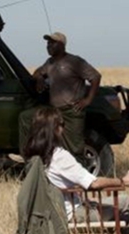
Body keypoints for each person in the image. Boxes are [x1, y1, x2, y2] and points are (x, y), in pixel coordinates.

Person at [22, 106, 129, 234]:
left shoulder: (34, 158)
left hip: (50, 212)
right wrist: (122, 181)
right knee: (123, 218)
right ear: (54, 129)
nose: (63, 129)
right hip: (73, 213)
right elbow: (93, 183)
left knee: (126, 201)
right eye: (61, 125)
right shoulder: (59, 156)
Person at [16, 31, 101, 162]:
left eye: (52, 43)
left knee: (74, 148)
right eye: (48, 43)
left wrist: (87, 100)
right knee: (26, 117)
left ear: (61, 45)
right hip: (55, 111)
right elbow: (37, 73)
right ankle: (27, 156)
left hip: (72, 110)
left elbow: (95, 76)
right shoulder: (49, 62)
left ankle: (82, 176)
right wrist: (39, 78)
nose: (48, 46)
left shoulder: (74, 61)